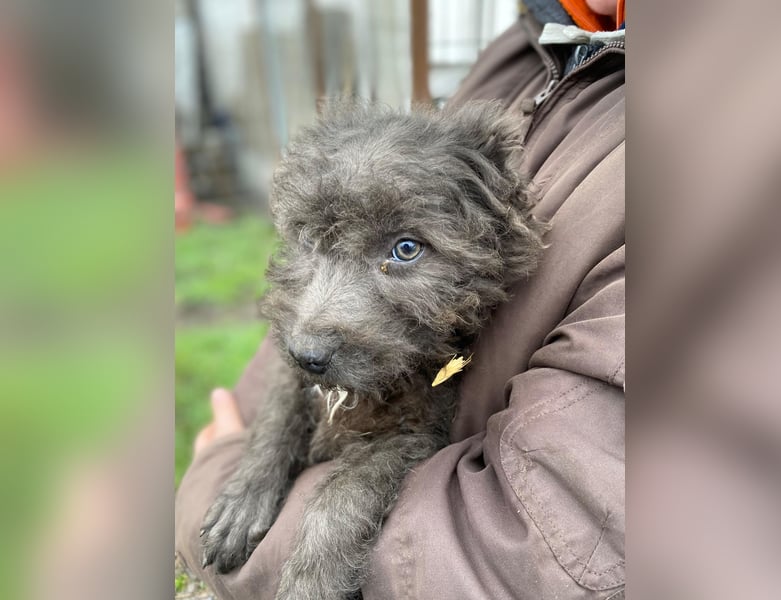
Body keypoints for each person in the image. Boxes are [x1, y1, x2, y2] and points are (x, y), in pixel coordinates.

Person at [176, 0, 625, 597]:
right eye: (311, 243)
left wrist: (211, 478)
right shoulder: (527, 45)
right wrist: (256, 465)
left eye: (405, 250)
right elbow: (303, 369)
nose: (311, 324)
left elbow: (541, 551)